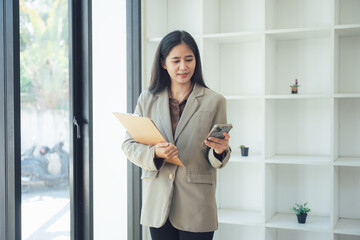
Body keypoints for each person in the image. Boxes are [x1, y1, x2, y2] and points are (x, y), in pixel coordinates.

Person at [122, 30, 231, 240]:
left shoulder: (215, 100)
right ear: (164, 63)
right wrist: (155, 152)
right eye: (176, 60)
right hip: (157, 203)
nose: (184, 66)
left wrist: (220, 151)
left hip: (197, 204)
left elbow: (216, 157)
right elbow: (128, 144)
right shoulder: (147, 99)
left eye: (189, 59)